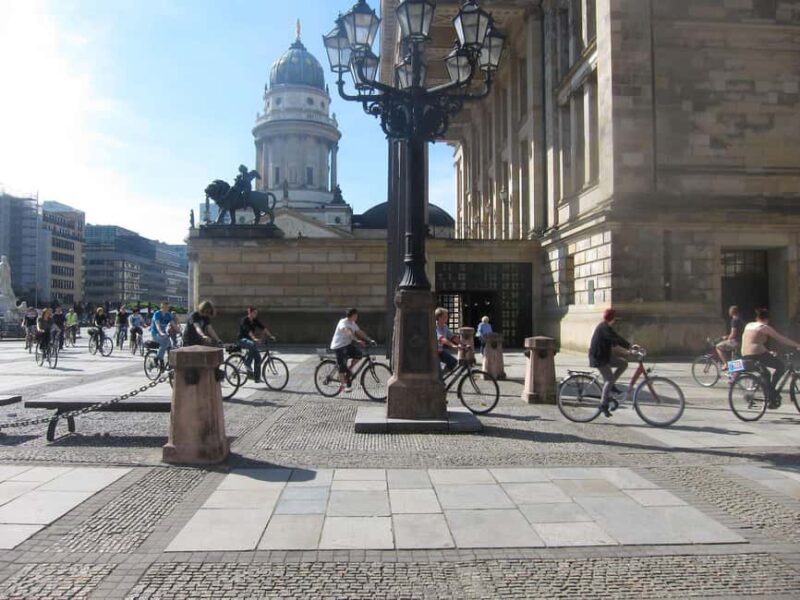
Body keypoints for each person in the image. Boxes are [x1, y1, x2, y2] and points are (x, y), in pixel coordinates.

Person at [741, 308, 800, 407]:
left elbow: (754, 342)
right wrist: (797, 345)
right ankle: (771, 393)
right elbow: (781, 338)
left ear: (757, 317)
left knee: (766, 374)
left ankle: (770, 393)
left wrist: (768, 352)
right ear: (767, 319)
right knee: (780, 366)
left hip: (745, 354)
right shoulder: (764, 327)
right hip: (757, 354)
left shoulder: (749, 325)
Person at [589, 308, 636, 418]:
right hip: (598, 357)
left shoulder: (606, 327)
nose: (615, 320)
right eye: (614, 318)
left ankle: (612, 386)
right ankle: (603, 404)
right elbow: (615, 341)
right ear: (613, 319)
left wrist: (630, 346)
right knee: (608, 379)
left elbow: (617, 338)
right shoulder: (604, 328)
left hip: (604, 356)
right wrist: (629, 350)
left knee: (623, 364)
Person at [329, 307, 374, 392]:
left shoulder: (352, 323)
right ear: (352, 315)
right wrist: (357, 340)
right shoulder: (343, 322)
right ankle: (343, 387)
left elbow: (359, 331)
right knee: (342, 366)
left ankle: (348, 371)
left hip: (347, 345)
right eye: (356, 315)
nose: (357, 317)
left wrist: (369, 339)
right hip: (339, 346)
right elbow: (348, 332)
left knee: (359, 354)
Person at [239, 307, 275, 383]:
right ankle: (247, 364)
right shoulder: (244, 320)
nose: (256, 315)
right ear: (250, 312)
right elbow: (248, 330)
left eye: (256, 313)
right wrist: (254, 338)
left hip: (250, 341)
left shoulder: (255, 320)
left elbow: (263, 328)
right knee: (252, 344)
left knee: (258, 358)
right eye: (254, 313)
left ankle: (257, 378)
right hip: (242, 340)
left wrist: (270, 336)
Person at [435, 307, 460, 373]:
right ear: (439, 317)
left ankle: (440, 376)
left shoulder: (445, 326)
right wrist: (453, 345)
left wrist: (462, 344)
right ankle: (438, 377)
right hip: (432, 352)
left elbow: (452, 337)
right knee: (436, 369)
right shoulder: (434, 326)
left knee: (453, 362)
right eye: (445, 316)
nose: (447, 318)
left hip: (440, 351)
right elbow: (441, 339)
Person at [150, 302, 173, 367]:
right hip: (155, 334)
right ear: (161, 307)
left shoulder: (168, 315)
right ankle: (156, 359)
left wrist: (180, 331)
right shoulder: (157, 314)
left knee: (170, 347)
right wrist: (160, 332)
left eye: (167, 307)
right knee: (164, 343)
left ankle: (170, 362)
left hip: (163, 334)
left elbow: (173, 324)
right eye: (165, 307)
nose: (166, 308)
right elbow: (157, 325)